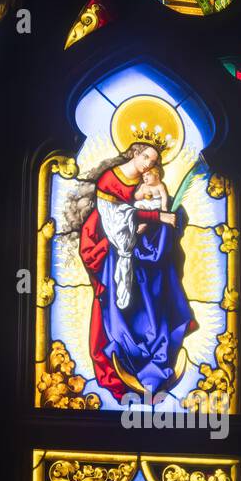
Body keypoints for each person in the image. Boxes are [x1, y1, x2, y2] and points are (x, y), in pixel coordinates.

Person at [75, 141, 197, 400]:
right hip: (119, 254)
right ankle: (129, 358)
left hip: (149, 258)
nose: (147, 164)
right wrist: (154, 219)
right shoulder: (110, 180)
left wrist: (164, 212)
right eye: (145, 157)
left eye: (152, 162)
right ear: (134, 153)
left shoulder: (151, 183)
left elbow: (168, 213)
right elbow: (113, 220)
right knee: (123, 308)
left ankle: (157, 358)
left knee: (157, 301)